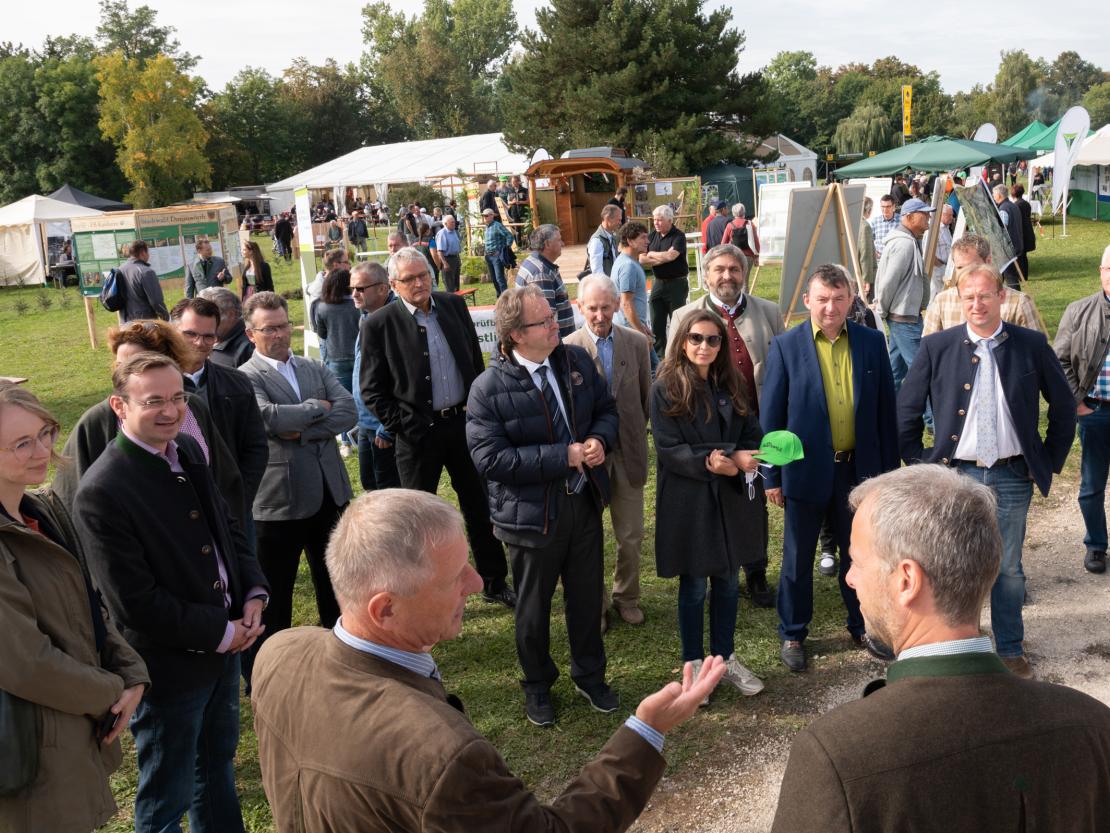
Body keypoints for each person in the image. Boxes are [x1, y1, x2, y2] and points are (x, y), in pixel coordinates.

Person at [252, 488, 726, 833]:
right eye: (454, 577)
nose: (477, 585)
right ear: (385, 608)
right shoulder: (441, 757)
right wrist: (647, 729)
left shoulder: (279, 652)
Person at [772, 464, 1110, 832]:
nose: (850, 578)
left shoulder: (835, 756)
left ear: (906, 581)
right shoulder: (1094, 725)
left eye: (855, 561)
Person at [72, 352, 270, 833]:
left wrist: (253, 594)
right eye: (154, 401)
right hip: (169, 670)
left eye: (178, 397)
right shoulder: (102, 491)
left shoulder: (188, 449)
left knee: (215, 768)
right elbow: (135, 605)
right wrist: (222, 632)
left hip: (224, 651)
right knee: (167, 795)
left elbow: (229, 531)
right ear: (119, 407)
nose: (171, 411)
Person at [898, 263, 1075, 677]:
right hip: (956, 477)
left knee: (1008, 568)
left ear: (1002, 297)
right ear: (960, 301)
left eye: (984, 295)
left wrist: (1047, 458)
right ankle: (962, 650)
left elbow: (1063, 406)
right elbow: (906, 407)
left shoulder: (1029, 344)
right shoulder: (937, 346)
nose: (977, 304)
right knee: (955, 567)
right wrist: (920, 461)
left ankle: (1010, 648)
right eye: (968, 297)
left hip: (1012, 476)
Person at [0, 383, 150, 833]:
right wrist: (110, 693)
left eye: (45, 433)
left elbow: (89, 604)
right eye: (21, 442)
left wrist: (133, 674)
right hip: (29, 747)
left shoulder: (41, 512)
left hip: (68, 734)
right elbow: (25, 664)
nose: (41, 450)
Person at [467, 285, 619, 726]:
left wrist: (598, 440)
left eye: (555, 317)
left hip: (583, 505)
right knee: (532, 610)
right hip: (531, 517)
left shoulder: (573, 362)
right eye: (545, 322)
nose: (557, 325)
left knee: (587, 599)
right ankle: (537, 685)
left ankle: (590, 676)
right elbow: (490, 459)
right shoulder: (487, 388)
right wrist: (563, 456)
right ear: (516, 335)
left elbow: (606, 409)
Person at [762, 264, 900, 672]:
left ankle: (864, 625)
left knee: (859, 556)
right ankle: (793, 631)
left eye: (839, 299)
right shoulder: (786, 347)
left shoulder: (872, 343)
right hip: (804, 473)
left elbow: (884, 415)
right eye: (822, 299)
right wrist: (772, 474)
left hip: (860, 473)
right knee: (797, 558)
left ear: (850, 301)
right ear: (807, 301)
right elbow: (772, 419)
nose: (830, 307)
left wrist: (888, 478)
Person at [360, 247, 515, 607]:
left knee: (480, 506)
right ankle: (422, 594)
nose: (420, 283)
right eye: (410, 279)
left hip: (463, 426)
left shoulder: (453, 306)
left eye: (424, 275)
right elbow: (372, 390)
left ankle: (494, 581)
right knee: (419, 520)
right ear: (393, 285)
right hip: (417, 437)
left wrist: (479, 413)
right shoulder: (379, 324)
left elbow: (474, 364)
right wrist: (405, 425)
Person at [652, 311, 767, 699]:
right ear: (683, 340)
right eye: (697, 338)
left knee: (729, 581)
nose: (705, 346)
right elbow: (670, 449)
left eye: (713, 340)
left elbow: (753, 431)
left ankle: (725, 658)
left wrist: (739, 456)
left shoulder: (731, 382)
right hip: (690, 500)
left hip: (729, 499)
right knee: (695, 585)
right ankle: (694, 666)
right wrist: (719, 460)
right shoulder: (666, 386)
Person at [667, 244, 784, 606]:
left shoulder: (769, 312)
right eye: (719, 269)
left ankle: (757, 571)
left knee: (754, 505)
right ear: (706, 275)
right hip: (711, 432)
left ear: (744, 273)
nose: (727, 276)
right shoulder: (684, 315)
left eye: (734, 269)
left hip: (756, 428)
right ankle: (716, 567)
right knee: (717, 501)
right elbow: (673, 372)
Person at [239, 292, 356, 651]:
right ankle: (272, 666)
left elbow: (348, 410)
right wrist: (316, 408)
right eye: (269, 329)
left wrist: (300, 430)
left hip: (328, 492)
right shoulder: (245, 378)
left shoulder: (312, 366)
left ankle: (341, 652)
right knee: (276, 589)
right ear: (250, 334)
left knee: (334, 583)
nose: (279, 335)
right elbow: (267, 419)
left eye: (283, 326)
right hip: (280, 501)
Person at [51, 319, 245, 524]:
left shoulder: (193, 407)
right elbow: (71, 498)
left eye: (136, 365)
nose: (124, 373)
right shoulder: (98, 421)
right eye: (119, 365)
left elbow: (225, 482)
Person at [566, 274, 653, 628]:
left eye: (606, 307)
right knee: (588, 539)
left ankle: (626, 597)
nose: (599, 315)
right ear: (580, 307)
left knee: (630, 535)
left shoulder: (636, 343)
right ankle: (595, 605)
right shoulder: (567, 349)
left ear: (617, 305)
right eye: (592, 308)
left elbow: (646, 397)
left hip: (628, 454)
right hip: (588, 461)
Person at [170, 298, 268, 535]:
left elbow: (255, 447)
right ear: (172, 332)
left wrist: (238, 498)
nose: (199, 343)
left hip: (232, 512)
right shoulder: (155, 390)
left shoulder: (236, 382)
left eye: (208, 336)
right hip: (175, 511)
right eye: (189, 334)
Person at [1052, 245, 1110, 574]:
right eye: (1109, 269)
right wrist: (1078, 402)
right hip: (1096, 412)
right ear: (1101, 272)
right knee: (1091, 486)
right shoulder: (1079, 311)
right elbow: (1058, 360)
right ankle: (1097, 545)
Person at [922, 232, 1047, 336]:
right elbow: (928, 352)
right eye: (959, 268)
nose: (965, 274)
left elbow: (1036, 354)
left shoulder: (1018, 303)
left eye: (971, 267)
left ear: (988, 261)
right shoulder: (942, 302)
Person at [349, 262, 400, 493]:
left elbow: (403, 378)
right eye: (352, 288)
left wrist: (388, 426)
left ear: (383, 288)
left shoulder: (396, 321)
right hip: (366, 422)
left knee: (388, 491)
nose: (354, 294)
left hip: (384, 426)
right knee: (370, 484)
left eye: (360, 288)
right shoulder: (365, 317)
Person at [874, 197, 934, 391]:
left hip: (903, 317)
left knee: (895, 372)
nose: (928, 218)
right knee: (921, 371)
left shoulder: (910, 241)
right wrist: (881, 311)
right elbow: (889, 281)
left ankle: (888, 413)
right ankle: (933, 420)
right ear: (909, 217)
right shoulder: (905, 244)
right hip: (904, 319)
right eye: (923, 214)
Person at [641, 205, 689, 357]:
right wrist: (660, 257)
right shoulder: (652, 236)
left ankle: (678, 353)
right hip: (659, 282)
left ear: (669, 220)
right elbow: (642, 258)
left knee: (677, 320)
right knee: (656, 320)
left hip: (677, 284)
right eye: (654, 219)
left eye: (660, 220)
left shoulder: (678, 236)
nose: (656, 223)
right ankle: (659, 355)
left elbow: (671, 256)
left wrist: (652, 255)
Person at [516, 223, 575, 339]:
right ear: (547, 244)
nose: (562, 244)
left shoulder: (536, 263)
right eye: (559, 240)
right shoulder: (541, 273)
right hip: (554, 345)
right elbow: (547, 319)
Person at [611, 221, 653, 342]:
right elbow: (626, 304)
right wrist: (642, 333)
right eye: (643, 237)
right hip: (630, 332)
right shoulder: (628, 266)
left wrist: (643, 328)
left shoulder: (628, 261)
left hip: (632, 328)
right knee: (652, 362)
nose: (647, 241)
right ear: (630, 241)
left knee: (653, 361)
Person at [201, 287, 255, 367]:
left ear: (231, 315)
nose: (203, 324)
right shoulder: (217, 338)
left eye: (209, 316)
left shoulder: (248, 347)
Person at [118, 240, 168, 322]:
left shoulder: (120, 269)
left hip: (124, 322)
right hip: (144, 324)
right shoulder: (146, 272)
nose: (149, 255)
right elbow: (156, 301)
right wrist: (167, 318)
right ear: (143, 253)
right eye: (148, 251)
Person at [993, 183, 1025, 290]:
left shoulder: (1003, 209)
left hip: (1009, 249)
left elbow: (1002, 229)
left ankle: (1017, 300)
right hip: (1017, 245)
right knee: (1007, 276)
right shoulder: (1013, 205)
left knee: (1010, 277)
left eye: (994, 194)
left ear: (999, 196)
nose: (993, 196)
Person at [482, 207, 515, 297]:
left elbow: (509, 236)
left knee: (499, 278)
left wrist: (505, 249)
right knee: (494, 279)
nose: (484, 217)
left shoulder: (497, 225)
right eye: (483, 216)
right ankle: (499, 297)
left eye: (486, 215)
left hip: (496, 255)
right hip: (488, 256)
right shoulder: (486, 227)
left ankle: (506, 299)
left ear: (492, 216)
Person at [923, 203, 953, 300]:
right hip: (938, 269)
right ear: (942, 215)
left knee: (943, 296)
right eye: (949, 215)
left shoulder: (946, 229)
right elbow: (928, 251)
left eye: (952, 215)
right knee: (936, 296)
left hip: (947, 267)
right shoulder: (933, 230)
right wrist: (939, 265)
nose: (952, 218)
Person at [586, 205, 622, 276]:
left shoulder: (613, 237)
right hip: (605, 285)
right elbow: (597, 272)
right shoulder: (597, 241)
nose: (620, 223)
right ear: (608, 219)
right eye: (619, 220)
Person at [1012, 183, 1036, 280]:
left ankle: (1021, 276)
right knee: (1023, 256)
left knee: (1020, 257)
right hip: (1027, 231)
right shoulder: (1026, 203)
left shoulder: (1016, 205)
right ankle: (1023, 276)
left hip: (1022, 232)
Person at [434, 213, 463, 293]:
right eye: (452, 222)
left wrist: (458, 259)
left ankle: (457, 302)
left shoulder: (454, 232)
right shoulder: (442, 233)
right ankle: (451, 303)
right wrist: (444, 263)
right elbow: (440, 251)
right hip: (447, 259)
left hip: (455, 258)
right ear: (446, 224)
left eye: (454, 222)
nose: (454, 223)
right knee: (449, 285)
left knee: (456, 283)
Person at [856, 197, 877, 301]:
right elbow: (865, 255)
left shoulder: (852, 222)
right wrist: (866, 280)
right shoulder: (865, 226)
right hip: (863, 276)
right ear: (868, 210)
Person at [869, 195, 899, 262]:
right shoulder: (875, 221)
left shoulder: (901, 221)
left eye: (888, 206)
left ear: (893, 207)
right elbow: (869, 240)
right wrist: (873, 251)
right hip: (879, 261)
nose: (885, 209)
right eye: (883, 206)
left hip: (895, 260)